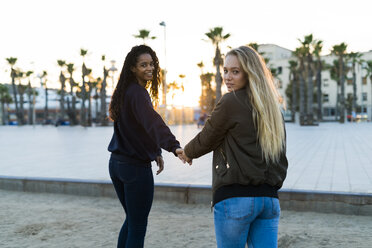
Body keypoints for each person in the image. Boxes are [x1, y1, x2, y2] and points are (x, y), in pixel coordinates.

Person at [180, 45, 288, 248]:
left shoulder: (231, 101)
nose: (228, 77)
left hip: (236, 199)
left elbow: (208, 137)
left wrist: (187, 152)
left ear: (250, 74)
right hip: (269, 201)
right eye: (226, 71)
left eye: (235, 72)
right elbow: (280, 155)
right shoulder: (274, 107)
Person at [107, 45, 183, 248]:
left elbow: (138, 128)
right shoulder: (138, 93)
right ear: (132, 68)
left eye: (151, 64)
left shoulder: (124, 92)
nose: (149, 68)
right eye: (143, 65)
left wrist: (155, 151)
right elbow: (153, 123)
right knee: (138, 226)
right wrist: (174, 147)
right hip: (134, 170)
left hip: (117, 164)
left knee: (132, 220)